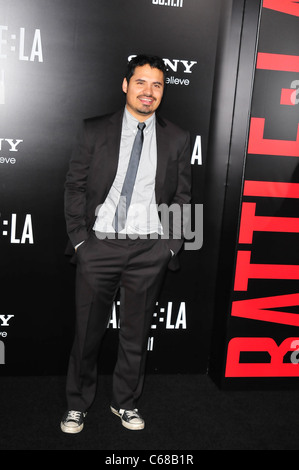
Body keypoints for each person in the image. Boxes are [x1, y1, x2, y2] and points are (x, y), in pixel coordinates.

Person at [61, 54, 191, 433]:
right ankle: (77, 404)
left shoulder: (178, 137)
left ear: (163, 91)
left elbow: (183, 198)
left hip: (149, 251)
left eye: (157, 85)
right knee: (87, 334)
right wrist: (81, 242)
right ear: (125, 85)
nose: (148, 92)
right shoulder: (94, 130)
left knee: (135, 336)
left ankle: (125, 403)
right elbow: (75, 186)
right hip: (99, 246)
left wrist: (169, 247)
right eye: (141, 82)